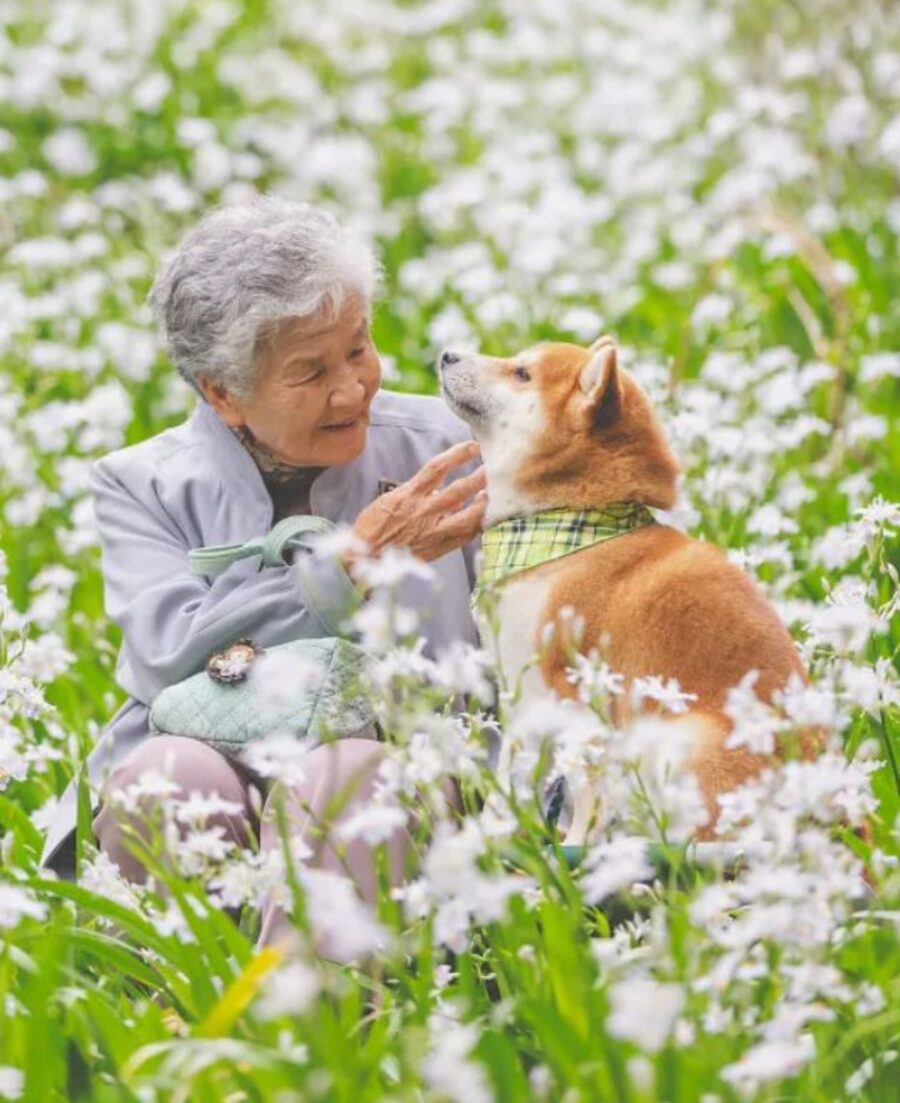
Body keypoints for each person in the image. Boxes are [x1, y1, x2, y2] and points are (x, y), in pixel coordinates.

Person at [39, 196, 486, 958]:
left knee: (351, 777)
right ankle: (172, 1043)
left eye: (359, 347)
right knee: (171, 774)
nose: (353, 388)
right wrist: (344, 572)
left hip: (406, 766)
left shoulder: (443, 446)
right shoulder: (141, 483)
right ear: (222, 392)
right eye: (309, 371)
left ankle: (312, 1048)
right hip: (215, 755)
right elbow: (167, 659)